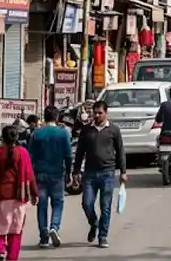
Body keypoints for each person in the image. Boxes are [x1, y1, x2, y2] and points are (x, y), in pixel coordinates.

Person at [72, 101, 127, 248]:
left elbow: (120, 151)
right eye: (94, 113)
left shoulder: (113, 130)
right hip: (89, 174)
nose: (96, 115)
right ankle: (94, 223)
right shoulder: (86, 130)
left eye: (99, 113)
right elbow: (80, 152)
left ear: (105, 112)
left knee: (106, 206)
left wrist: (123, 172)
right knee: (87, 203)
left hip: (107, 173)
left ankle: (103, 236)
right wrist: (76, 171)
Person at [0, 125, 39, 261]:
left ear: (2, 137)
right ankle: (12, 257)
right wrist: (34, 193)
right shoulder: (22, 152)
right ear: (17, 137)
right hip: (18, 197)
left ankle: (0, 251)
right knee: (16, 229)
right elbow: (30, 174)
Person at [28, 107, 72, 249]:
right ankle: (54, 227)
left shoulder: (36, 134)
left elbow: (30, 156)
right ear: (57, 117)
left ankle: (44, 237)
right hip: (57, 173)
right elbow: (68, 156)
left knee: (42, 205)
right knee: (58, 203)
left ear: (44, 117)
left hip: (39, 174)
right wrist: (70, 172)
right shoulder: (63, 133)